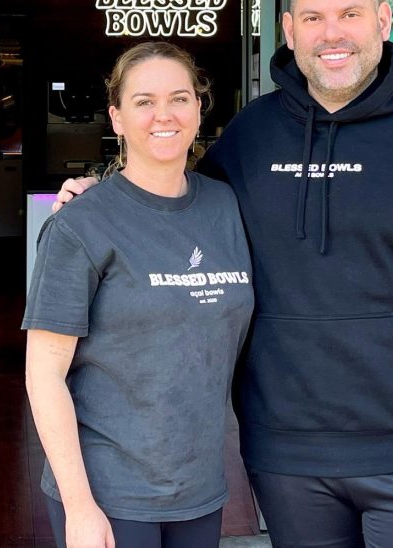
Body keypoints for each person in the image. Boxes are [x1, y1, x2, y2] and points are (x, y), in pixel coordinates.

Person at [54, 0, 393, 547]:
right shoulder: (251, 136)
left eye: (349, 14)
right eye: (313, 17)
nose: (332, 34)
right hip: (286, 457)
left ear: (382, 20)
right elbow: (175, 205)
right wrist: (104, 191)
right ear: (288, 28)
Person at [24, 42, 255, 548]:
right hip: (109, 496)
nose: (164, 115)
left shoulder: (225, 205)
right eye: (144, 102)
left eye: (179, 98)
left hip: (199, 488)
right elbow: (44, 374)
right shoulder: (81, 224)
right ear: (117, 117)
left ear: (199, 108)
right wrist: (80, 506)